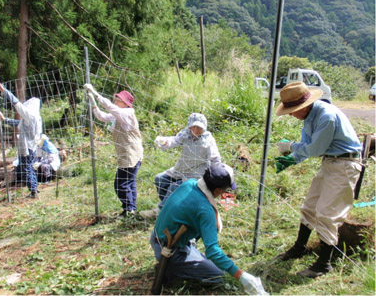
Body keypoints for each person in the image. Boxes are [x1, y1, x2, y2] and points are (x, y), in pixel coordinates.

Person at [274, 82, 362, 278]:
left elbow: (315, 149)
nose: (290, 114)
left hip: (345, 165)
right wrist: (292, 159)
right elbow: (308, 145)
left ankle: (324, 264)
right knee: (310, 206)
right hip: (330, 162)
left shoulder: (326, 116)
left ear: (304, 106)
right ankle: (300, 248)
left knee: (327, 214)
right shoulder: (309, 116)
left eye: (292, 111)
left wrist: (290, 147)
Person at [150, 162, 268, 295]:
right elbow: (212, 251)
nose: (225, 192)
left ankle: (178, 262)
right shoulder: (205, 210)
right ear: (217, 190)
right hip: (169, 250)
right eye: (225, 189)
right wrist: (242, 276)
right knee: (217, 275)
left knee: (207, 262)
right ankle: (169, 269)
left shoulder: (190, 184)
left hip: (156, 237)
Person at [140, 113, 221, 219]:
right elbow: (174, 140)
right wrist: (165, 142)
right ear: (190, 126)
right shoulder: (186, 134)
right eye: (193, 126)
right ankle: (172, 208)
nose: (196, 129)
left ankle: (160, 212)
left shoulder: (208, 140)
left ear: (204, 127)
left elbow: (215, 159)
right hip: (181, 169)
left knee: (175, 187)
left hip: (197, 173)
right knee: (160, 179)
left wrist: (216, 178)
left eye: (199, 127)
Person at [84, 84, 143, 217]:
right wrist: (93, 104)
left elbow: (110, 107)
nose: (115, 101)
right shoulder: (118, 116)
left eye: (118, 100)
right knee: (129, 182)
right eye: (115, 99)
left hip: (131, 153)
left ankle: (129, 209)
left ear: (125, 103)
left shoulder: (127, 113)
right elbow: (102, 117)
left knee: (120, 184)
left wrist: (95, 93)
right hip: (127, 153)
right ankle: (131, 209)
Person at [0, 83, 42, 198]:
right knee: (29, 167)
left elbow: (17, 104)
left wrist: (4, 91)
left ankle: (33, 191)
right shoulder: (36, 117)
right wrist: (5, 119)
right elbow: (19, 124)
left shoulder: (30, 115)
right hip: (31, 146)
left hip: (27, 147)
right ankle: (35, 188)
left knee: (26, 168)